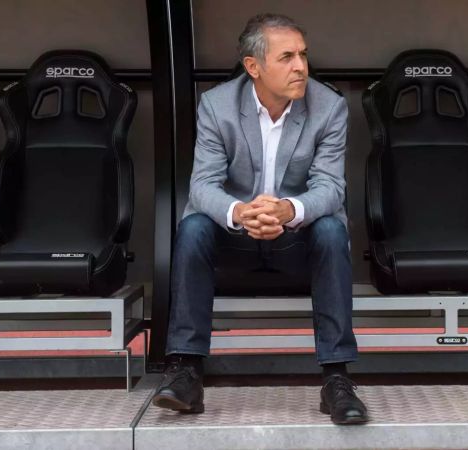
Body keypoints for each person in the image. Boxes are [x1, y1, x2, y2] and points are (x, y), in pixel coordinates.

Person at [151, 13, 368, 425]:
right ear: (254, 66)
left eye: (303, 55)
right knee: (194, 225)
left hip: (295, 244)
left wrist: (289, 211)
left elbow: (330, 187)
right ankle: (186, 373)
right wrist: (240, 213)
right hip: (235, 241)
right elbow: (202, 184)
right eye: (286, 57)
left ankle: (336, 379)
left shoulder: (329, 108)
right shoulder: (217, 106)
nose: (301, 66)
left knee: (330, 227)